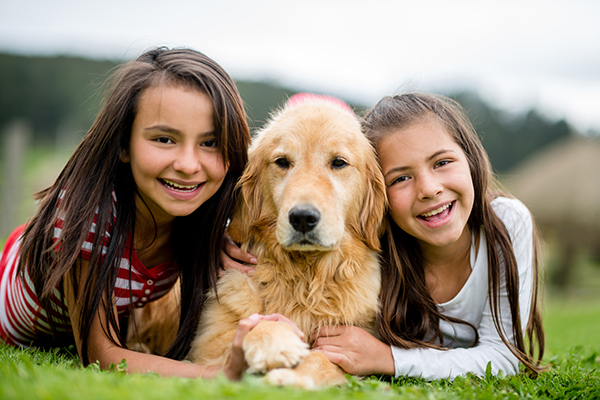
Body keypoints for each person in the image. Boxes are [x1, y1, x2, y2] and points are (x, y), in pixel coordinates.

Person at [0, 47, 302, 380]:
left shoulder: (205, 213)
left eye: (210, 143)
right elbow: (102, 356)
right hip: (14, 293)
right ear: (123, 145)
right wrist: (221, 373)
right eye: (163, 139)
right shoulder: (84, 217)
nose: (188, 165)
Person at [223, 92, 545, 380]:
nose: (430, 189)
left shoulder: (506, 222)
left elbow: (504, 357)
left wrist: (388, 359)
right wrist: (220, 239)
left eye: (443, 162)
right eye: (401, 177)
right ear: (382, 196)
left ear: (471, 158)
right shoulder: (390, 229)